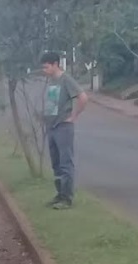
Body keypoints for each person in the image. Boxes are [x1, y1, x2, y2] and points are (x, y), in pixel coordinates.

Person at [40, 52, 89, 210]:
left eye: (46, 67)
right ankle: (59, 194)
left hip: (63, 127)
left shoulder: (66, 79)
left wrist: (73, 116)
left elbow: (83, 97)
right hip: (52, 127)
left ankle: (67, 198)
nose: (44, 70)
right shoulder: (51, 81)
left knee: (65, 162)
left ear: (55, 64)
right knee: (56, 164)